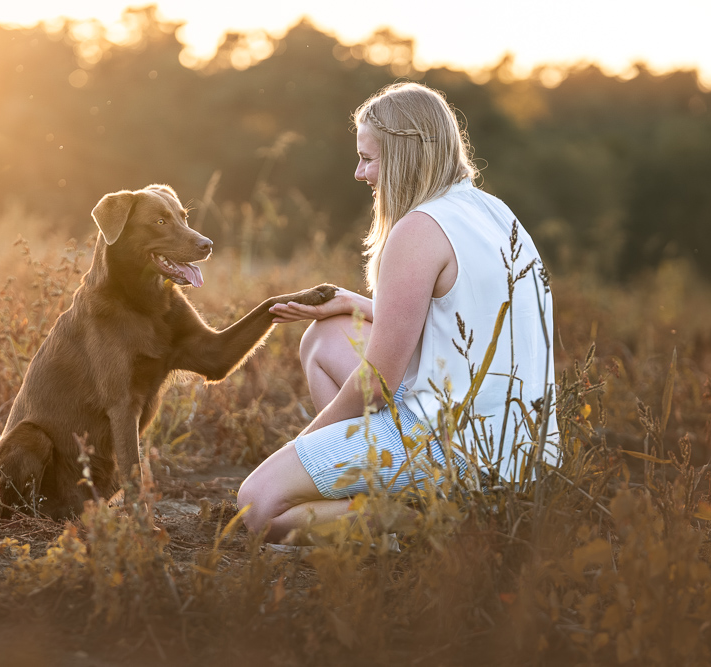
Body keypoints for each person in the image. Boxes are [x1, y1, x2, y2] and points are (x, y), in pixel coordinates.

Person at [237, 82, 557, 544]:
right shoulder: (494, 212)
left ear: (405, 155)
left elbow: (377, 384)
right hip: (521, 453)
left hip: (457, 449)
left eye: (368, 158)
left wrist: (300, 444)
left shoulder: (418, 229)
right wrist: (361, 305)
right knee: (327, 335)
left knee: (256, 506)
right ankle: (383, 490)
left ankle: (423, 521)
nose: (358, 172)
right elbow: (472, 323)